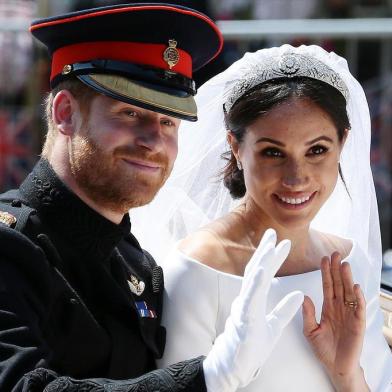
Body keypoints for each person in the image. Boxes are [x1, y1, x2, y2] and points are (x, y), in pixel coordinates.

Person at [0, 4, 305, 391]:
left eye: (168, 122)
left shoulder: (136, 263)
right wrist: (207, 377)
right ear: (65, 113)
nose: (153, 141)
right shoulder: (11, 247)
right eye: (129, 114)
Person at [131, 44, 392, 391]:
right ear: (236, 148)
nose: (296, 176)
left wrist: (345, 374)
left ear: (342, 144)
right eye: (272, 152)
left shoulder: (349, 262)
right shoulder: (198, 268)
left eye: (317, 150)